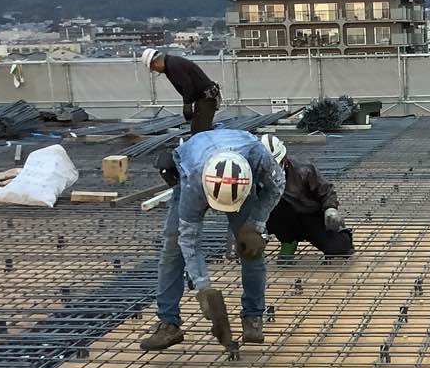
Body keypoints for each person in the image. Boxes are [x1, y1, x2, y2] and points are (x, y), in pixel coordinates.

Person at [140, 129, 285, 351]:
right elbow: (189, 238)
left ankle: (253, 317)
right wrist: (203, 287)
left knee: (251, 247)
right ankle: (168, 323)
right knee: (173, 247)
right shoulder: (194, 183)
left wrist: (255, 225)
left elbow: (277, 186)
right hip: (195, 170)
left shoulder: (258, 156)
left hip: (237, 179)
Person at [259, 134, 354, 263]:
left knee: (339, 248)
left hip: (309, 215)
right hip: (282, 218)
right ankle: (288, 241)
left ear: (284, 158)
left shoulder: (303, 169)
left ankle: (341, 235)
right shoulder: (257, 174)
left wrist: (330, 209)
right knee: (276, 202)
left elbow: (326, 190)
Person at [142, 48, 222, 133]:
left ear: (155, 63)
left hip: (207, 98)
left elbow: (187, 86)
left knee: (200, 131)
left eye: (154, 68)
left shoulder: (173, 66)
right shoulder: (171, 63)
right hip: (205, 98)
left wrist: (187, 105)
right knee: (198, 129)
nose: (156, 71)